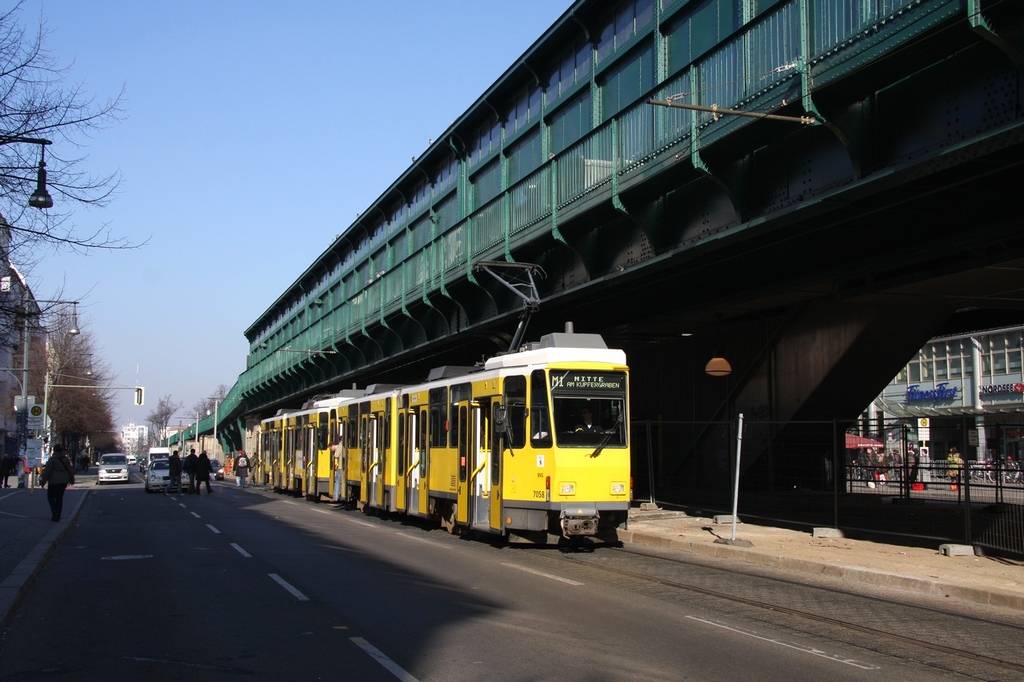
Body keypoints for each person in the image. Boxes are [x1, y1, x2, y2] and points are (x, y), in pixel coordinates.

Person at [39, 444, 75, 522]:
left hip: (53, 481)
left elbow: (47, 472)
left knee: (51, 497)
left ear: (54, 450)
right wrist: (72, 480)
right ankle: (58, 514)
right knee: (59, 498)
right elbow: (70, 470)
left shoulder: (52, 460)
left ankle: (54, 511)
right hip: (63, 481)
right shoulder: (66, 459)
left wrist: (43, 482)